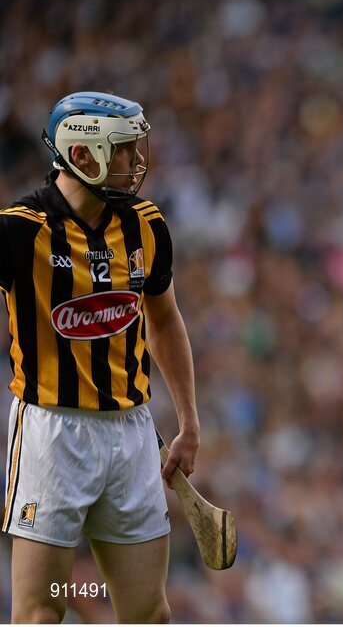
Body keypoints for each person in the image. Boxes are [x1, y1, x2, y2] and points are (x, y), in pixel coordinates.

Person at [1, 91, 200, 623]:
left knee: (148, 614)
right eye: (126, 150)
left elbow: (163, 321)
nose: (138, 162)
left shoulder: (146, 224)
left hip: (132, 433)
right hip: (52, 436)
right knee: (41, 614)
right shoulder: (19, 230)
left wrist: (188, 422)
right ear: (83, 155)